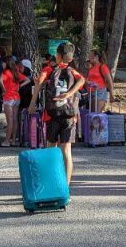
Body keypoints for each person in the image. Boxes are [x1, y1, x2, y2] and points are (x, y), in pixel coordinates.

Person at [31, 41, 86, 184]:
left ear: (58, 55)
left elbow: (38, 82)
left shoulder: (49, 69)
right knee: (66, 151)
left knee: (51, 149)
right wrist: (69, 94)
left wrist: (32, 103)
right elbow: (82, 80)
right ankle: (65, 186)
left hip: (52, 115)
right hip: (69, 115)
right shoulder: (72, 71)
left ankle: (51, 182)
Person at [0, 56, 29, 147]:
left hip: (8, 98)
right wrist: (20, 86)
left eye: (3, 62)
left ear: (6, 63)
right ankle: (13, 141)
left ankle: (7, 141)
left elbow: (0, 81)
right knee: (15, 119)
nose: (2, 64)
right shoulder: (16, 72)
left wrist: (3, 89)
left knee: (9, 120)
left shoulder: (6, 72)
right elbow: (28, 80)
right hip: (16, 97)